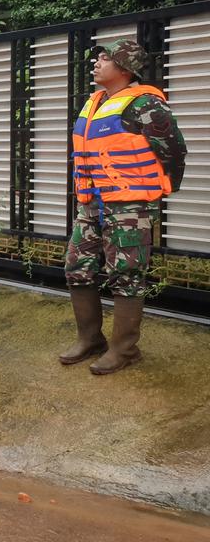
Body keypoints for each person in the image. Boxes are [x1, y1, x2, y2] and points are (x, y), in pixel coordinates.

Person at [62, 40, 186, 374]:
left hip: (130, 205)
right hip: (92, 202)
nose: (97, 62)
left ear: (125, 69)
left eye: (106, 58)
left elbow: (174, 150)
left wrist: (156, 190)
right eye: (98, 57)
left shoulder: (145, 104)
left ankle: (124, 350)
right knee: (77, 266)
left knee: (126, 275)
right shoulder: (95, 102)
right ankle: (90, 339)